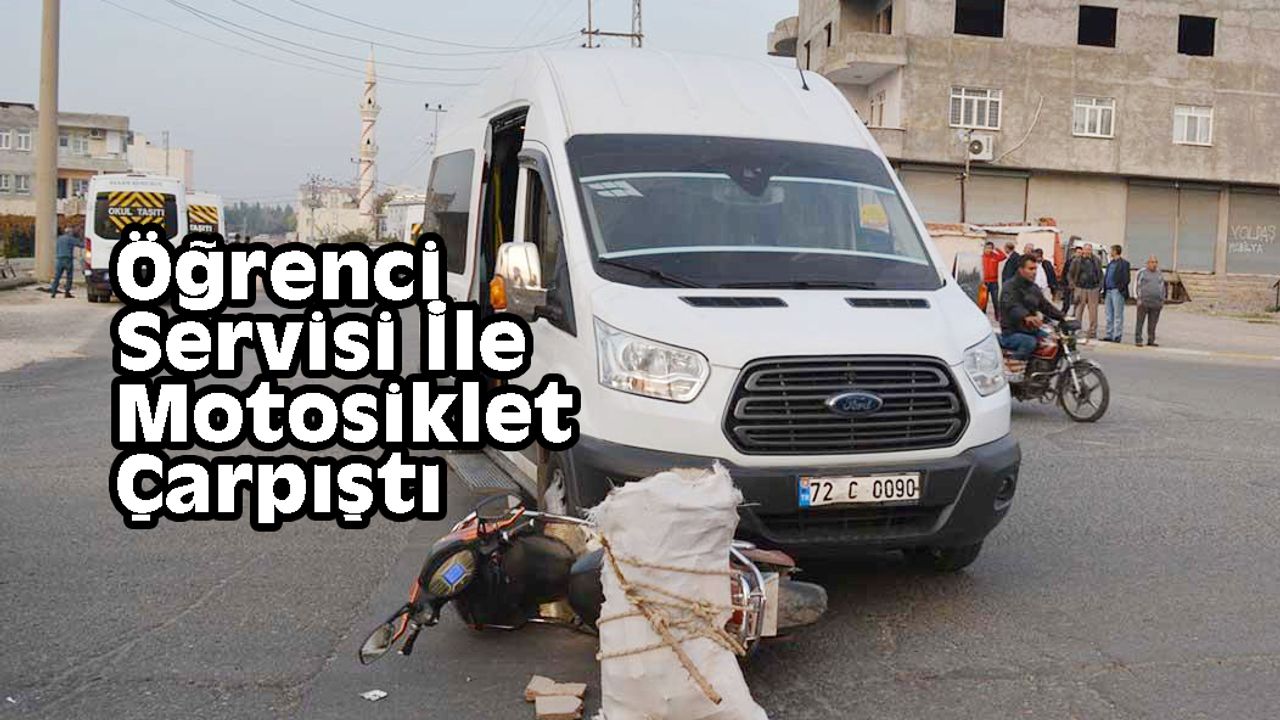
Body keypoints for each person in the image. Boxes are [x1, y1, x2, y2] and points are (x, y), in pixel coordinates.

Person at [999, 255, 1066, 360]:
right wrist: (1026, 316)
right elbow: (1012, 306)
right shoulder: (1010, 286)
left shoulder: (1033, 288)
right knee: (1029, 342)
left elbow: (1045, 306)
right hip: (1012, 332)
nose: (1034, 272)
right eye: (1031, 269)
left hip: (1031, 330)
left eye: (1035, 269)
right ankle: (1014, 366)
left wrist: (1062, 316)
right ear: (1021, 269)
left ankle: (1046, 368)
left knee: (1053, 340)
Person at [1069, 241, 1103, 339]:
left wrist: (1100, 286)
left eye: (1089, 249)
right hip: (1080, 288)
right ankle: (1077, 330)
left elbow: (1100, 274)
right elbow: (1070, 273)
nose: (1088, 251)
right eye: (1086, 249)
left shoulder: (1096, 260)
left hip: (1093, 289)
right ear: (1083, 250)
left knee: (1093, 312)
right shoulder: (1076, 261)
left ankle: (1092, 331)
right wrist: (1073, 285)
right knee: (1078, 310)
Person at [1134, 255, 1165, 347]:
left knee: (1153, 323)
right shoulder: (1142, 272)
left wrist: (1162, 299)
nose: (1154, 264)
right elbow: (1136, 285)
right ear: (1147, 263)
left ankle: (1151, 340)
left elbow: (1162, 287)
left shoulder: (1159, 273)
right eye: (1152, 262)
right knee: (1140, 322)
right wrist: (1137, 298)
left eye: (1155, 262)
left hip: (1156, 302)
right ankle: (1138, 339)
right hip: (1144, 301)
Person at [1102, 244, 1131, 342]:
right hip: (1108, 291)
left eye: (1111, 250)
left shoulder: (1124, 264)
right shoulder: (1110, 263)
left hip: (1117, 291)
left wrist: (1120, 288)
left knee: (1118, 314)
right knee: (1109, 314)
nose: (1110, 252)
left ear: (1115, 251)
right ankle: (1109, 334)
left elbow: (1126, 278)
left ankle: (1117, 335)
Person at [51, 227, 83, 299]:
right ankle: (67, 292)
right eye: (71, 232)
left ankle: (53, 292)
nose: (72, 233)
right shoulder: (71, 239)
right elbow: (81, 245)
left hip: (59, 259)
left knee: (57, 276)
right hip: (68, 259)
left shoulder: (59, 239)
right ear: (69, 232)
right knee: (69, 277)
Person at [981, 241, 1006, 320]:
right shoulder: (981, 257)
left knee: (995, 300)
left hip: (994, 282)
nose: (988, 250)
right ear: (984, 248)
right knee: (984, 301)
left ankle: (997, 317)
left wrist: (997, 249)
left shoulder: (995, 257)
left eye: (990, 248)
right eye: (987, 248)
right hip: (984, 282)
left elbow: (1004, 256)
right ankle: (982, 316)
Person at [1060, 238, 1079, 315]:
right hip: (1067, 284)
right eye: (1078, 252)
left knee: (1076, 300)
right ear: (1075, 252)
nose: (1079, 254)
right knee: (1066, 300)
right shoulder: (1069, 261)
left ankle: (1074, 313)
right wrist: (1064, 282)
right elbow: (1064, 272)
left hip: (1077, 285)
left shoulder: (1082, 262)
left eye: (1080, 253)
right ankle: (1063, 312)